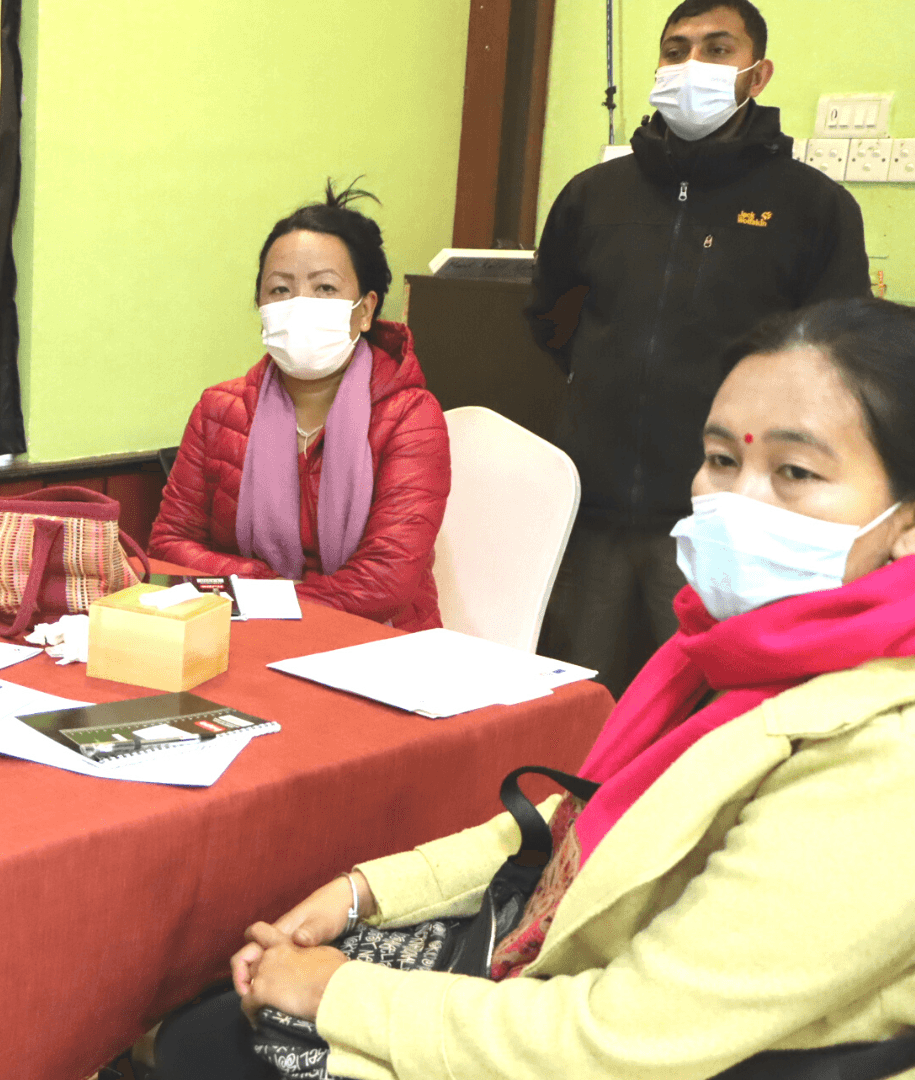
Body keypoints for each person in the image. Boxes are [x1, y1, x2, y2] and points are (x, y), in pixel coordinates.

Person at [148, 296, 915, 1080]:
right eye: (721, 459)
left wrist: (335, 992)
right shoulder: (726, 660)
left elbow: (622, 1039)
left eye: (795, 472)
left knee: (211, 1049)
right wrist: (362, 892)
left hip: (627, 1048)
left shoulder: (887, 758)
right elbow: (582, 825)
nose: (737, 502)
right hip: (565, 967)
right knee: (215, 1011)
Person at [528, 0, 869, 697]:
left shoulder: (813, 206)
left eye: (717, 49)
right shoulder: (594, 195)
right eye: (676, 48)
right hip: (590, 510)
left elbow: (832, 358)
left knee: (699, 705)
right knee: (580, 703)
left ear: (757, 74)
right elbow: (552, 318)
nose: (691, 65)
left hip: (729, 517)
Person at [150, 183, 450, 631]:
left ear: (365, 310)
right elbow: (169, 544)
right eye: (280, 289)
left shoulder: (411, 417)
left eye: (325, 287)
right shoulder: (218, 410)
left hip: (378, 644)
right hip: (243, 636)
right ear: (260, 306)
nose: (299, 305)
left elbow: (384, 583)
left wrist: (258, 594)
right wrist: (260, 582)